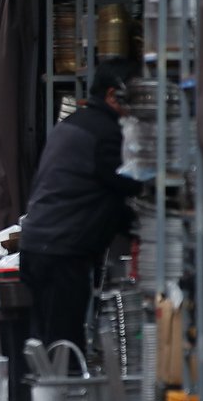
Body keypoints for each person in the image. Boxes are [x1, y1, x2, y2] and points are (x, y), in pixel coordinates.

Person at [19, 57, 143, 352]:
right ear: (113, 95)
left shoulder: (75, 122)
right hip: (61, 252)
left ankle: (45, 396)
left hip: (40, 247)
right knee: (64, 347)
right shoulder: (106, 134)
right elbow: (128, 185)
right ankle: (60, 398)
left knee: (48, 344)